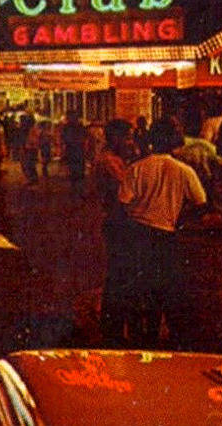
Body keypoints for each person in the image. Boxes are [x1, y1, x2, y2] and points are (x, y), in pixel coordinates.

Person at [119, 117, 208, 348]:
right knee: (163, 288)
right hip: (166, 236)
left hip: (135, 235)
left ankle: (140, 340)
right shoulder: (184, 171)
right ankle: (158, 337)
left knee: (137, 289)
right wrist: (179, 219)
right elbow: (201, 204)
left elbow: (122, 203)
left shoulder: (137, 168)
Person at [91, 119, 136, 344]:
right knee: (118, 274)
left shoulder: (116, 160)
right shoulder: (109, 162)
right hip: (116, 221)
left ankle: (114, 325)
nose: (131, 142)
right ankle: (113, 329)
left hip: (116, 220)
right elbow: (126, 188)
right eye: (127, 137)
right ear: (115, 138)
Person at [60, 112, 88, 193]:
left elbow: (64, 138)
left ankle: (77, 186)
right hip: (75, 149)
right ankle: (77, 186)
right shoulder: (76, 127)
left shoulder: (70, 127)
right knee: (76, 167)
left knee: (76, 167)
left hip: (75, 149)